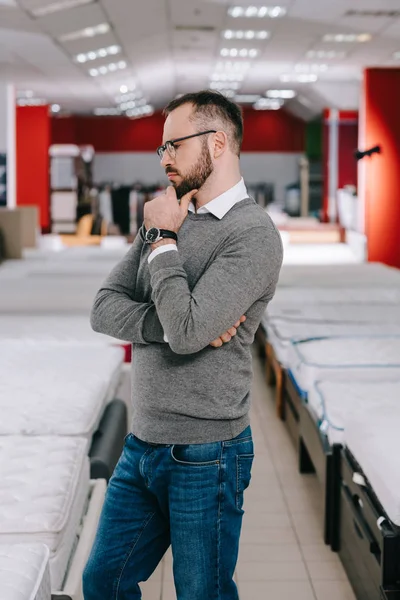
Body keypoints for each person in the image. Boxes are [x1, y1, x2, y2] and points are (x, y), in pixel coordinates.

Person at [83, 90, 283, 600]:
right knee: (103, 582)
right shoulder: (165, 214)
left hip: (207, 452)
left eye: (174, 145)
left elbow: (190, 330)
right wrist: (168, 324)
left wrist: (165, 243)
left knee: (202, 593)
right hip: (141, 441)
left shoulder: (252, 234)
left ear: (217, 143)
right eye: (162, 149)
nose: (164, 158)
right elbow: (103, 307)